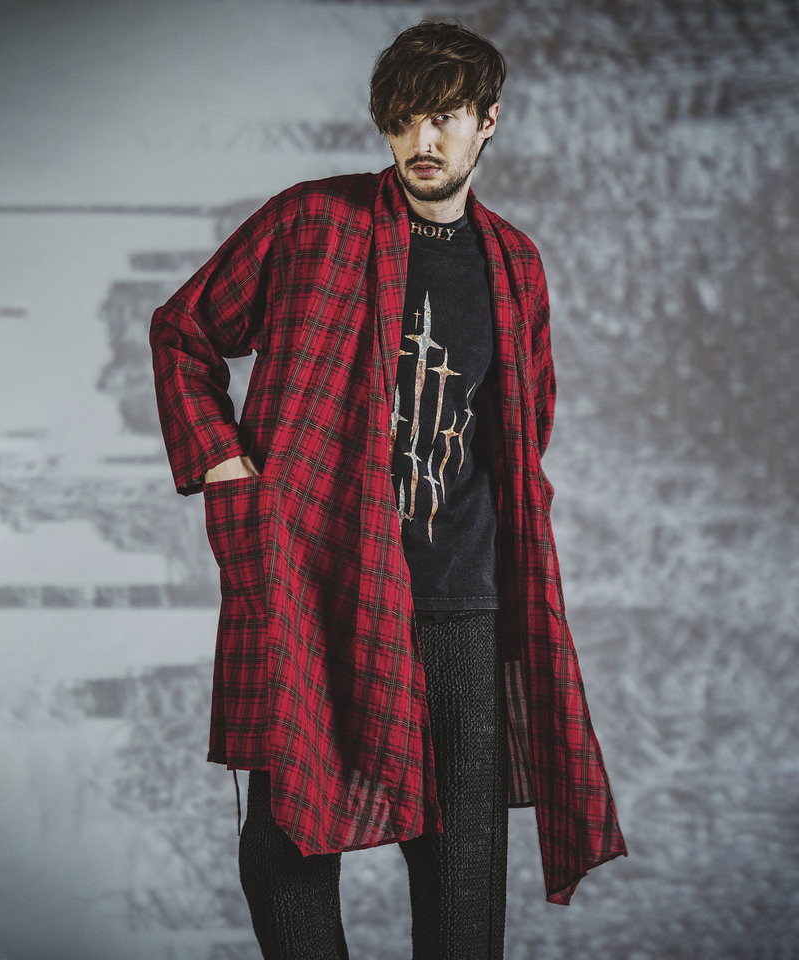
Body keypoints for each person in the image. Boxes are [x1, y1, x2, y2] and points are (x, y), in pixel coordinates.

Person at [149, 18, 627, 959]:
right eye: (405, 119)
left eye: (444, 117)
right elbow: (183, 332)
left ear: (488, 121)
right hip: (321, 586)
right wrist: (224, 462)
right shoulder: (309, 224)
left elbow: (524, 427)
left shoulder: (514, 264)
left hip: (462, 605)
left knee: (462, 884)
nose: (422, 140)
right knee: (288, 847)